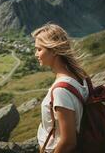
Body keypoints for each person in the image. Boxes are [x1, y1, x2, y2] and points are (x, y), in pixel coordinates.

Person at [32, 23, 90, 153]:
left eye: (39, 49)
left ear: (54, 50)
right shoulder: (79, 75)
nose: (36, 54)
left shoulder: (61, 91)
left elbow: (68, 142)